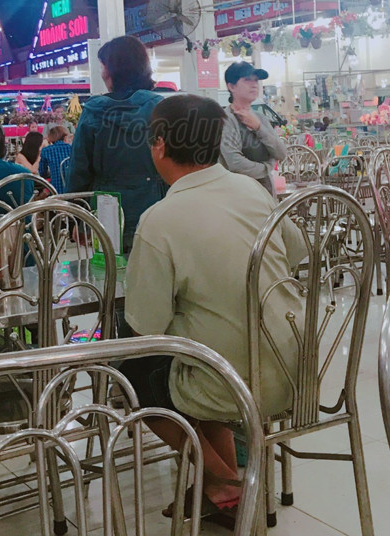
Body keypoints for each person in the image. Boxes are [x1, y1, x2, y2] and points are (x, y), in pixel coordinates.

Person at [120, 95, 307, 523]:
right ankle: (221, 489)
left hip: (230, 381)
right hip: (294, 364)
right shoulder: (252, 190)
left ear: (159, 145)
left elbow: (147, 326)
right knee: (197, 351)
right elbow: (296, 251)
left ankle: (225, 481)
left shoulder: (160, 219)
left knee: (136, 373)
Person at [67, 36, 167, 251]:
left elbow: (79, 170)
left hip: (107, 210)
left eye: (103, 66)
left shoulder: (94, 112)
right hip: (155, 207)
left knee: (110, 267)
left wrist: (76, 218)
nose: (102, 73)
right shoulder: (161, 109)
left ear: (112, 70)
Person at [219, 62, 287, 197]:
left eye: (256, 80)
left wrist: (258, 127)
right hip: (239, 196)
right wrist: (266, 167)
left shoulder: (261, 118)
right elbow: (235, 163)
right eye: (247, 80)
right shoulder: (226, 120)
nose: (254, 84)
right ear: (231, 86)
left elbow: (281, 153)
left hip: (266, 193)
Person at [39, 126, 72, 193]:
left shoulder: (46, 150)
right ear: (65, 137)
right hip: (73, 190)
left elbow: (42, 172)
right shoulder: (72, 148)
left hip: (56, 191)